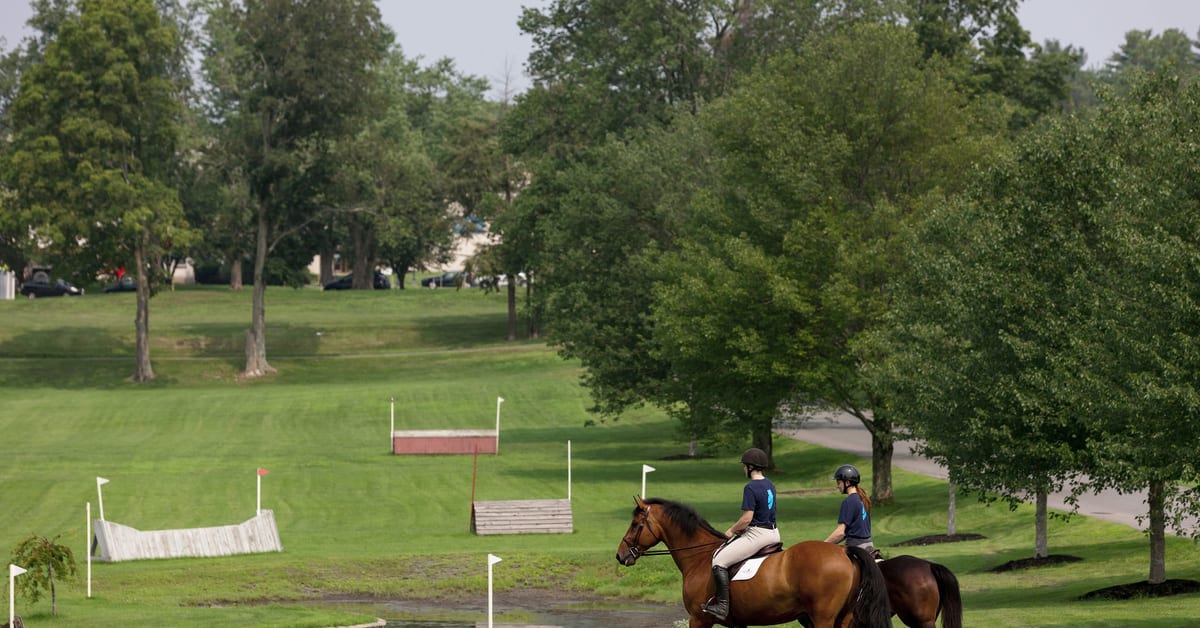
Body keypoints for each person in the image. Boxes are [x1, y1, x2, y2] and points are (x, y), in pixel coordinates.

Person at [702, 447, 779, 621]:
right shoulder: (769, 484)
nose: (743, 469)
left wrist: (731, 530)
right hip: (774, 532)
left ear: (750, 467)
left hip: (758, 535)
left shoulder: (751, 487)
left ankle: (722, 606)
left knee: (719, 560)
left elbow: (747, 518)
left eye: (745, 466)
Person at [823, 464, 880, 559]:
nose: (838, 486)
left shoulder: (849, 502)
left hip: (855, 548)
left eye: (839, 482)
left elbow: (840, 532)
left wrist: (824, 544)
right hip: (869, 547)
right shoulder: (863, 499)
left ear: (847, 482)